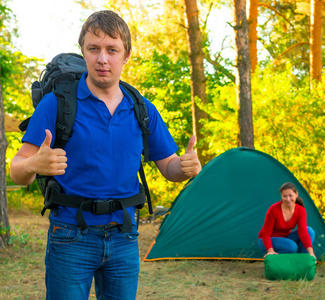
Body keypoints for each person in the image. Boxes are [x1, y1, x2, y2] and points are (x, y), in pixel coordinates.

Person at [10, 10, 201, 300]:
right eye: (94, 49)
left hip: (124, 237)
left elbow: (170, 167)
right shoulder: (56, 104)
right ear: (83, 52)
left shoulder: (142, 109)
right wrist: (35, 163)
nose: (102, 59)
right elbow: (16, 169)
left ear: (126, 56)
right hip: (70, 236)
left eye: (112, 50)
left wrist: (185, 167)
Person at [258, 182, 317, 260]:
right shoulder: (274, 209)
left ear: (296, 194)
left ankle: (302, 260)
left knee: (309, 231)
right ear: (281, 196)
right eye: (284, 196)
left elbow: (303, 233)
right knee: (291, 246)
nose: (288, 199)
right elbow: (266, 234)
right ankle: (273, 260)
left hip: (285, 238)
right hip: (266, 240)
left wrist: (311, 253)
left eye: (290, 195)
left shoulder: (301, 210)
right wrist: (270, 250)